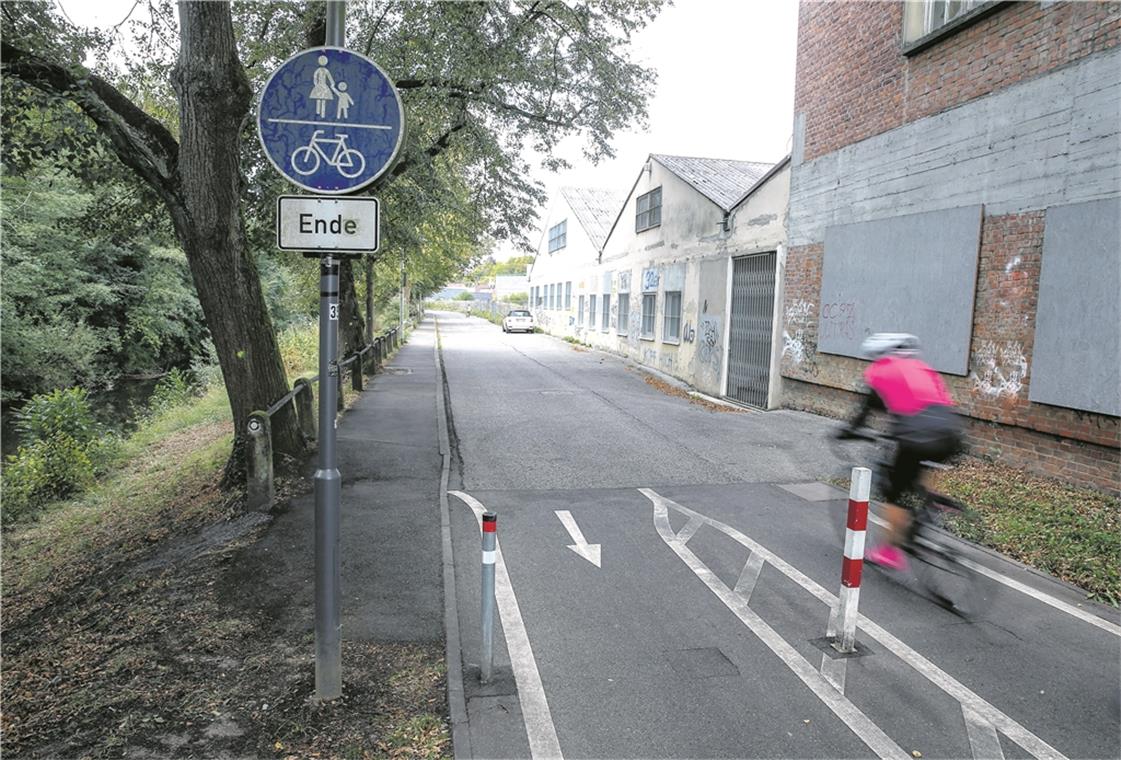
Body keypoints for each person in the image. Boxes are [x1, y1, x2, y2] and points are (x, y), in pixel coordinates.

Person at [836, 333, 962, 570]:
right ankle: (934, 499)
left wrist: (846, 433)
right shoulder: (923, 369)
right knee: (921, 465)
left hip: (916, 436)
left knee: (894, 492)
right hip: (951, 433)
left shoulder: (880, 373)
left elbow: (864, 416)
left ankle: (889, 552)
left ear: (879, 356)